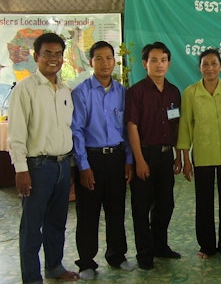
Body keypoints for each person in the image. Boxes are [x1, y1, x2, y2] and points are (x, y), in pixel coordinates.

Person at [8, 32, 79, 283]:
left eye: (58, 54)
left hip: (62, 165)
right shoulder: (25, 89)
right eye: (47, 53)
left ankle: (54, 267)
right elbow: (16, 134)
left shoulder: (65, 90)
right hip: (37, 168)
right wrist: (21, 169)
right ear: (36, 56)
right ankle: (32, 277)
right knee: (31, 227)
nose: (53, 58)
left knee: (57, 223)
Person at [71, 41, 135, 280]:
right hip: (92, 159)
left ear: (114, 61)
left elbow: (128, 130)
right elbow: (76, 130)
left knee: (116, 210)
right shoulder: (81, 92)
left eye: (109, 58)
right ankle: (86, 262)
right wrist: (83, 165)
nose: (105, 63)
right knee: (88, 213)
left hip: (117, 158)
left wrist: (128, 159)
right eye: (99, 58)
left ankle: (117, 255)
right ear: (91, 62)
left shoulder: (122, 93)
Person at [177, 48, 221, 259]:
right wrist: (185, 159)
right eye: (205, 64)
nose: (210, 68)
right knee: (203, 202)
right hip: (203, 156)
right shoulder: (190, 93)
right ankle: (206, 246)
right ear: (200, 67)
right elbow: (185, 127)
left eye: (214, 63)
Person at [125, 41, 182, 270]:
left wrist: (178, 155)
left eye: (164, 60)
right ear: (145, 63)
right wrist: (139, 160)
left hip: (166, 156)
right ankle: (145, 254)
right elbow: (132, 127)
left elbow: (176, 125)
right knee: (141, 207)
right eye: (154, 60)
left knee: (165, 204)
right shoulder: (136, 92)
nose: (159, 65)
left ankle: (160, 246)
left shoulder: (173, 91)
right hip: (145, 155)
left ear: (168, 63)